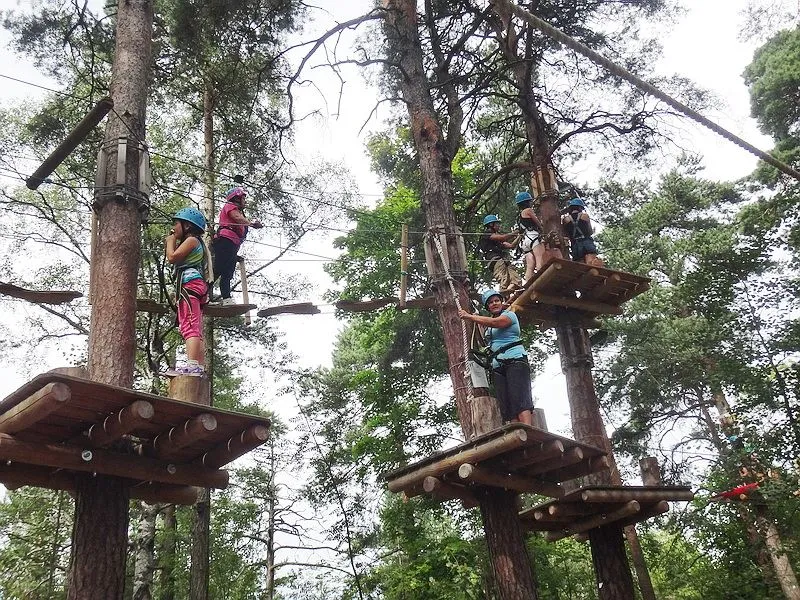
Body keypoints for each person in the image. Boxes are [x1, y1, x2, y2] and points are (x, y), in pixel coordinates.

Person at [459, 289, 534, 425]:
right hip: (497, 365)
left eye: (497, 301)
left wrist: (469, 316)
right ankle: (515, 431)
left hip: (515, 360)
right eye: (491, 302)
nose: (494, 304)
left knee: (520, 399)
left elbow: (496, 323)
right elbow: (486, 333)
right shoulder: (489, 329)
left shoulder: (509, 315)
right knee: (506, 404)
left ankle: (528, 429)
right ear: (487, 306)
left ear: (501, 302)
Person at [165, 207, 210, 376]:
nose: (174, 227)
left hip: (189, 286)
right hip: (195, 286)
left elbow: (172, 257)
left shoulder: (192, 241)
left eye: (176, 224)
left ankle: (192, 366)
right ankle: (198, 366)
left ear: (188, 226)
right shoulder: (195, 242)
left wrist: (170, 241)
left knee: (190, 326)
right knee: (193, 326)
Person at [212, 186, 263, 304]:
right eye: (243, 199)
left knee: (227, 271)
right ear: (236, 198)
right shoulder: (230, 206)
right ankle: (207, 295)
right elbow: (237, 217)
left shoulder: (238, 212)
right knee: (219, 269)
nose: (245, 201)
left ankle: (225, 298)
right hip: (225, 241)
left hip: (232, 244)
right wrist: (251, 223)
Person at [477, 214, 522, 293]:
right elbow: (503, 238)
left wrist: (520, 235)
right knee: (504, 278)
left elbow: (511, 246)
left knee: (515, 278)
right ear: (491, 225)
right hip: (495, 260)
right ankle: (503, 292)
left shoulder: (496, 240)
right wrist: (516, 232)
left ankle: (512, 289)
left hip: (502, 260)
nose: (498, 226)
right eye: (497, 224)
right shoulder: (487, 234)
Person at [561, 197, 603, 267]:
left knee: (580, 267)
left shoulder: (565, 220)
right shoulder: (585, 216)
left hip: (575, 245)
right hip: (587, 242)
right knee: (592, 264)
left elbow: (566, 234)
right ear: (580, 208)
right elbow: (590, 232)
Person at [514, 191, 546, 282]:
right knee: (540, 259)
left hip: (525, 241)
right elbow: (538, 223)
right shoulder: (528, 210)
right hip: (533, 237)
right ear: (527, 202)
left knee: (530, 266)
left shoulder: (519, 216)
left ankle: (528, 283)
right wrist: (543, 230)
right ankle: (542, 280)